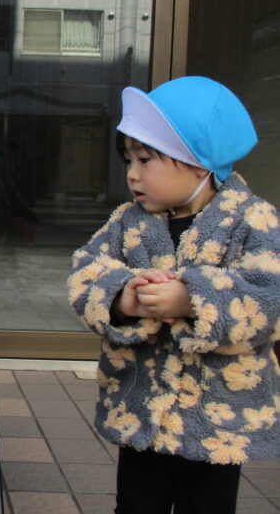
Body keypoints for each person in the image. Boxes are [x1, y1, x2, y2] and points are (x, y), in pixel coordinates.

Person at [68, 76, 280, 514]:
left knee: (208, 504)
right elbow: (87, 270)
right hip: (140, 403)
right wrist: (121, 298)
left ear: (199, 164)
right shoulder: (128, 221)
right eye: (129, 160)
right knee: (136, 502)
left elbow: (268, 295)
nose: (132, 174)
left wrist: (193, 300)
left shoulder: (251, 220)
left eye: (145, 160)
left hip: (217, 415)